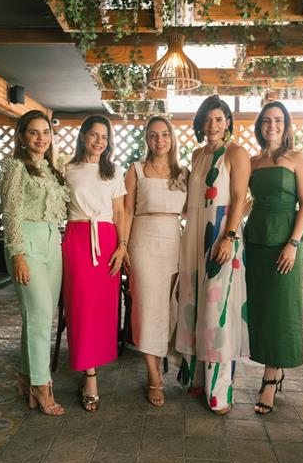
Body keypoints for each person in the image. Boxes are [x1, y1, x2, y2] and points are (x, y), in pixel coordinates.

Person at [176, 95, 250, 415]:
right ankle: (198, 379)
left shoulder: (236, 153)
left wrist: (228, 237)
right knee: (193, 305)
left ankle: (220, 391)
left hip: (221, 234)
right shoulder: (197, 155)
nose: (213, 125)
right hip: (195, 234)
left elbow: (239, 198)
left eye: (219, 119)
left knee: (216, 311)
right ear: (200, 123)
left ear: (228, 122)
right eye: (207, 119)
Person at [245, 100, 303, 415]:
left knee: (281, 309)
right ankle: (273, 368)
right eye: (266, 121)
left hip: (286, 239)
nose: (272, 126)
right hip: (256, 238)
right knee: (260, 308)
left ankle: (271, 378)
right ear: (260, 126)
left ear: (285, 126)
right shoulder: (253, 162)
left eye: (278, 121)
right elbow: (244, 199)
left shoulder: (298, 158)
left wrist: (293, 243)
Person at [0, 110, 69, 416]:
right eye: (33, 132)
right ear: (22, 137)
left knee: (40, 315)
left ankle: (26, 375)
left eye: (46, 132)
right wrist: (17, 255)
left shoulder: (52, 169)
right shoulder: (14, 167)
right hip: (26, 243)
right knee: (39, 314)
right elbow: (11, 213)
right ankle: (41, 385)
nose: (41, 138)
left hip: (53, 243)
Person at [62, 114, 127, 412]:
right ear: (83, 136)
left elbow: (120, 212)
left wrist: (122, 246)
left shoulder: (114, 171)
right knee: (80, 306)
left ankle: (94, 363)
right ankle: (89, 374)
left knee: (101, 308)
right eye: (94, 135)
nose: (100, 141)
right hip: (77, 239)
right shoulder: (67, 170)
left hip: (107, 240)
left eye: (104, 137)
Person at [124, 116, 188, 407]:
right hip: (143, 242)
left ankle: (172, 356)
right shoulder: (136, 170)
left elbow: (193, 211)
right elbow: (127, 211)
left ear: (172, 138)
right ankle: (153, 375)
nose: (159, 140)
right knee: (147, 309)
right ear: (147, 139)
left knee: (170, 306)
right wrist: (123, 246)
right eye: (153, 135)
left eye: (164, 134)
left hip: (174, 243)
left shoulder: (183, 173)